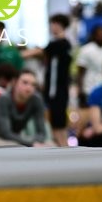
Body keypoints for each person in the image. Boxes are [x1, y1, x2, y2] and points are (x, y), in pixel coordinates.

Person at [23, 14, 73, 147]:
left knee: (57, 126)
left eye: (53, 24)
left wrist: (19, 54)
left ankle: (64, 150)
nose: (51, 27)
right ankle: (64, 148)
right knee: (59, 124)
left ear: (59, 25)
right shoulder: (65, 45)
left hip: (55, 91)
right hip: (60, 90)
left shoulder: (58, 44)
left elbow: (39, 52)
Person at [0, 70, 48, 147]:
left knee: (50, 145)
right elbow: (6, 133)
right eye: (25, 82)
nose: (29, 88)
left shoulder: (37, 100)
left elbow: (42, 133)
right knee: (16, 147)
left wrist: (35, 141)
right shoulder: (3, 99)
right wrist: (30, 143)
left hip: (14, 138)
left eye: (33, 85)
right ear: (14, 83)